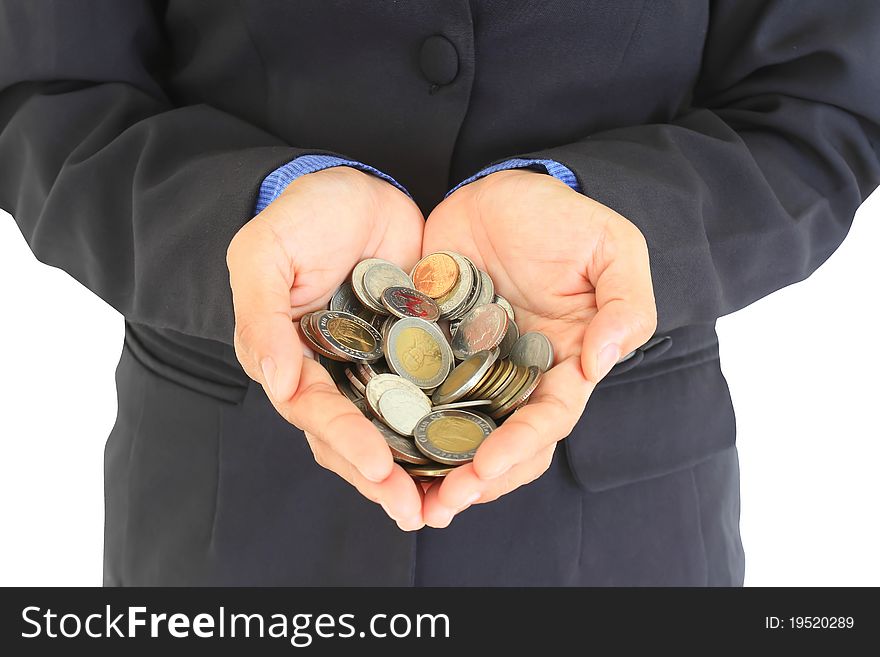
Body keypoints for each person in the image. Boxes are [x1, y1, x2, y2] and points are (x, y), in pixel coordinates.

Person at [1, 1, 877, 586]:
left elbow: (822, 105)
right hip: (223, 513)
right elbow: (45, 94)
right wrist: (260, 204)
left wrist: (614, 217)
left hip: (624, 527)